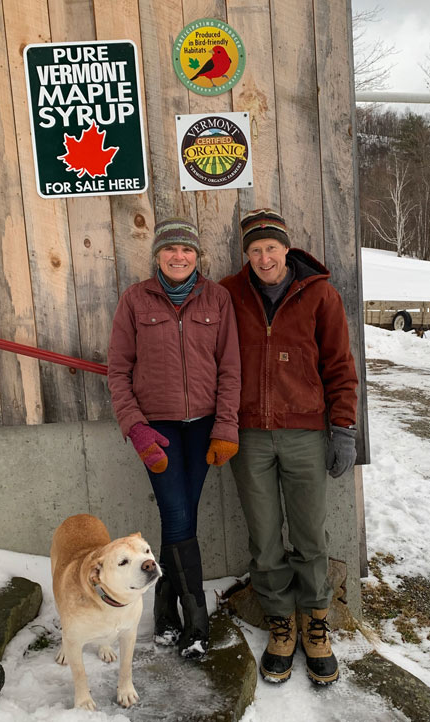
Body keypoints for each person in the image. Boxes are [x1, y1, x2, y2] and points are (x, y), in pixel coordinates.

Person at [220, 208, 358, 686]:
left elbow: (340, 365)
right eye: (255, 250)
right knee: (263, 537)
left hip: (305, 434)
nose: (264, 258)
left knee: (309, 535)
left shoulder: (319, 293)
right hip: (249, 435)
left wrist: (343, 429)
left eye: (271, 248)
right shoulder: (229, 293)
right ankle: (281, 623)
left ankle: (315, 623)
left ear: (285, 248)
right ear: (247, 254)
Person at [107, 218, 241, 659]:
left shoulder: (217, 298)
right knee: (180, 518)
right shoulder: (135, 299)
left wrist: (225, 426)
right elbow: (119, 371)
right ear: (158, 256)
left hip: (203, 427)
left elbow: (230, 369)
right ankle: (197, 620)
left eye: (187, 250)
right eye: (170, 250)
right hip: (156, 429)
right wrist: (136, 427)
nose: (179, 257)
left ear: (197, 256)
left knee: (177, 520)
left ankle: (164, 611)